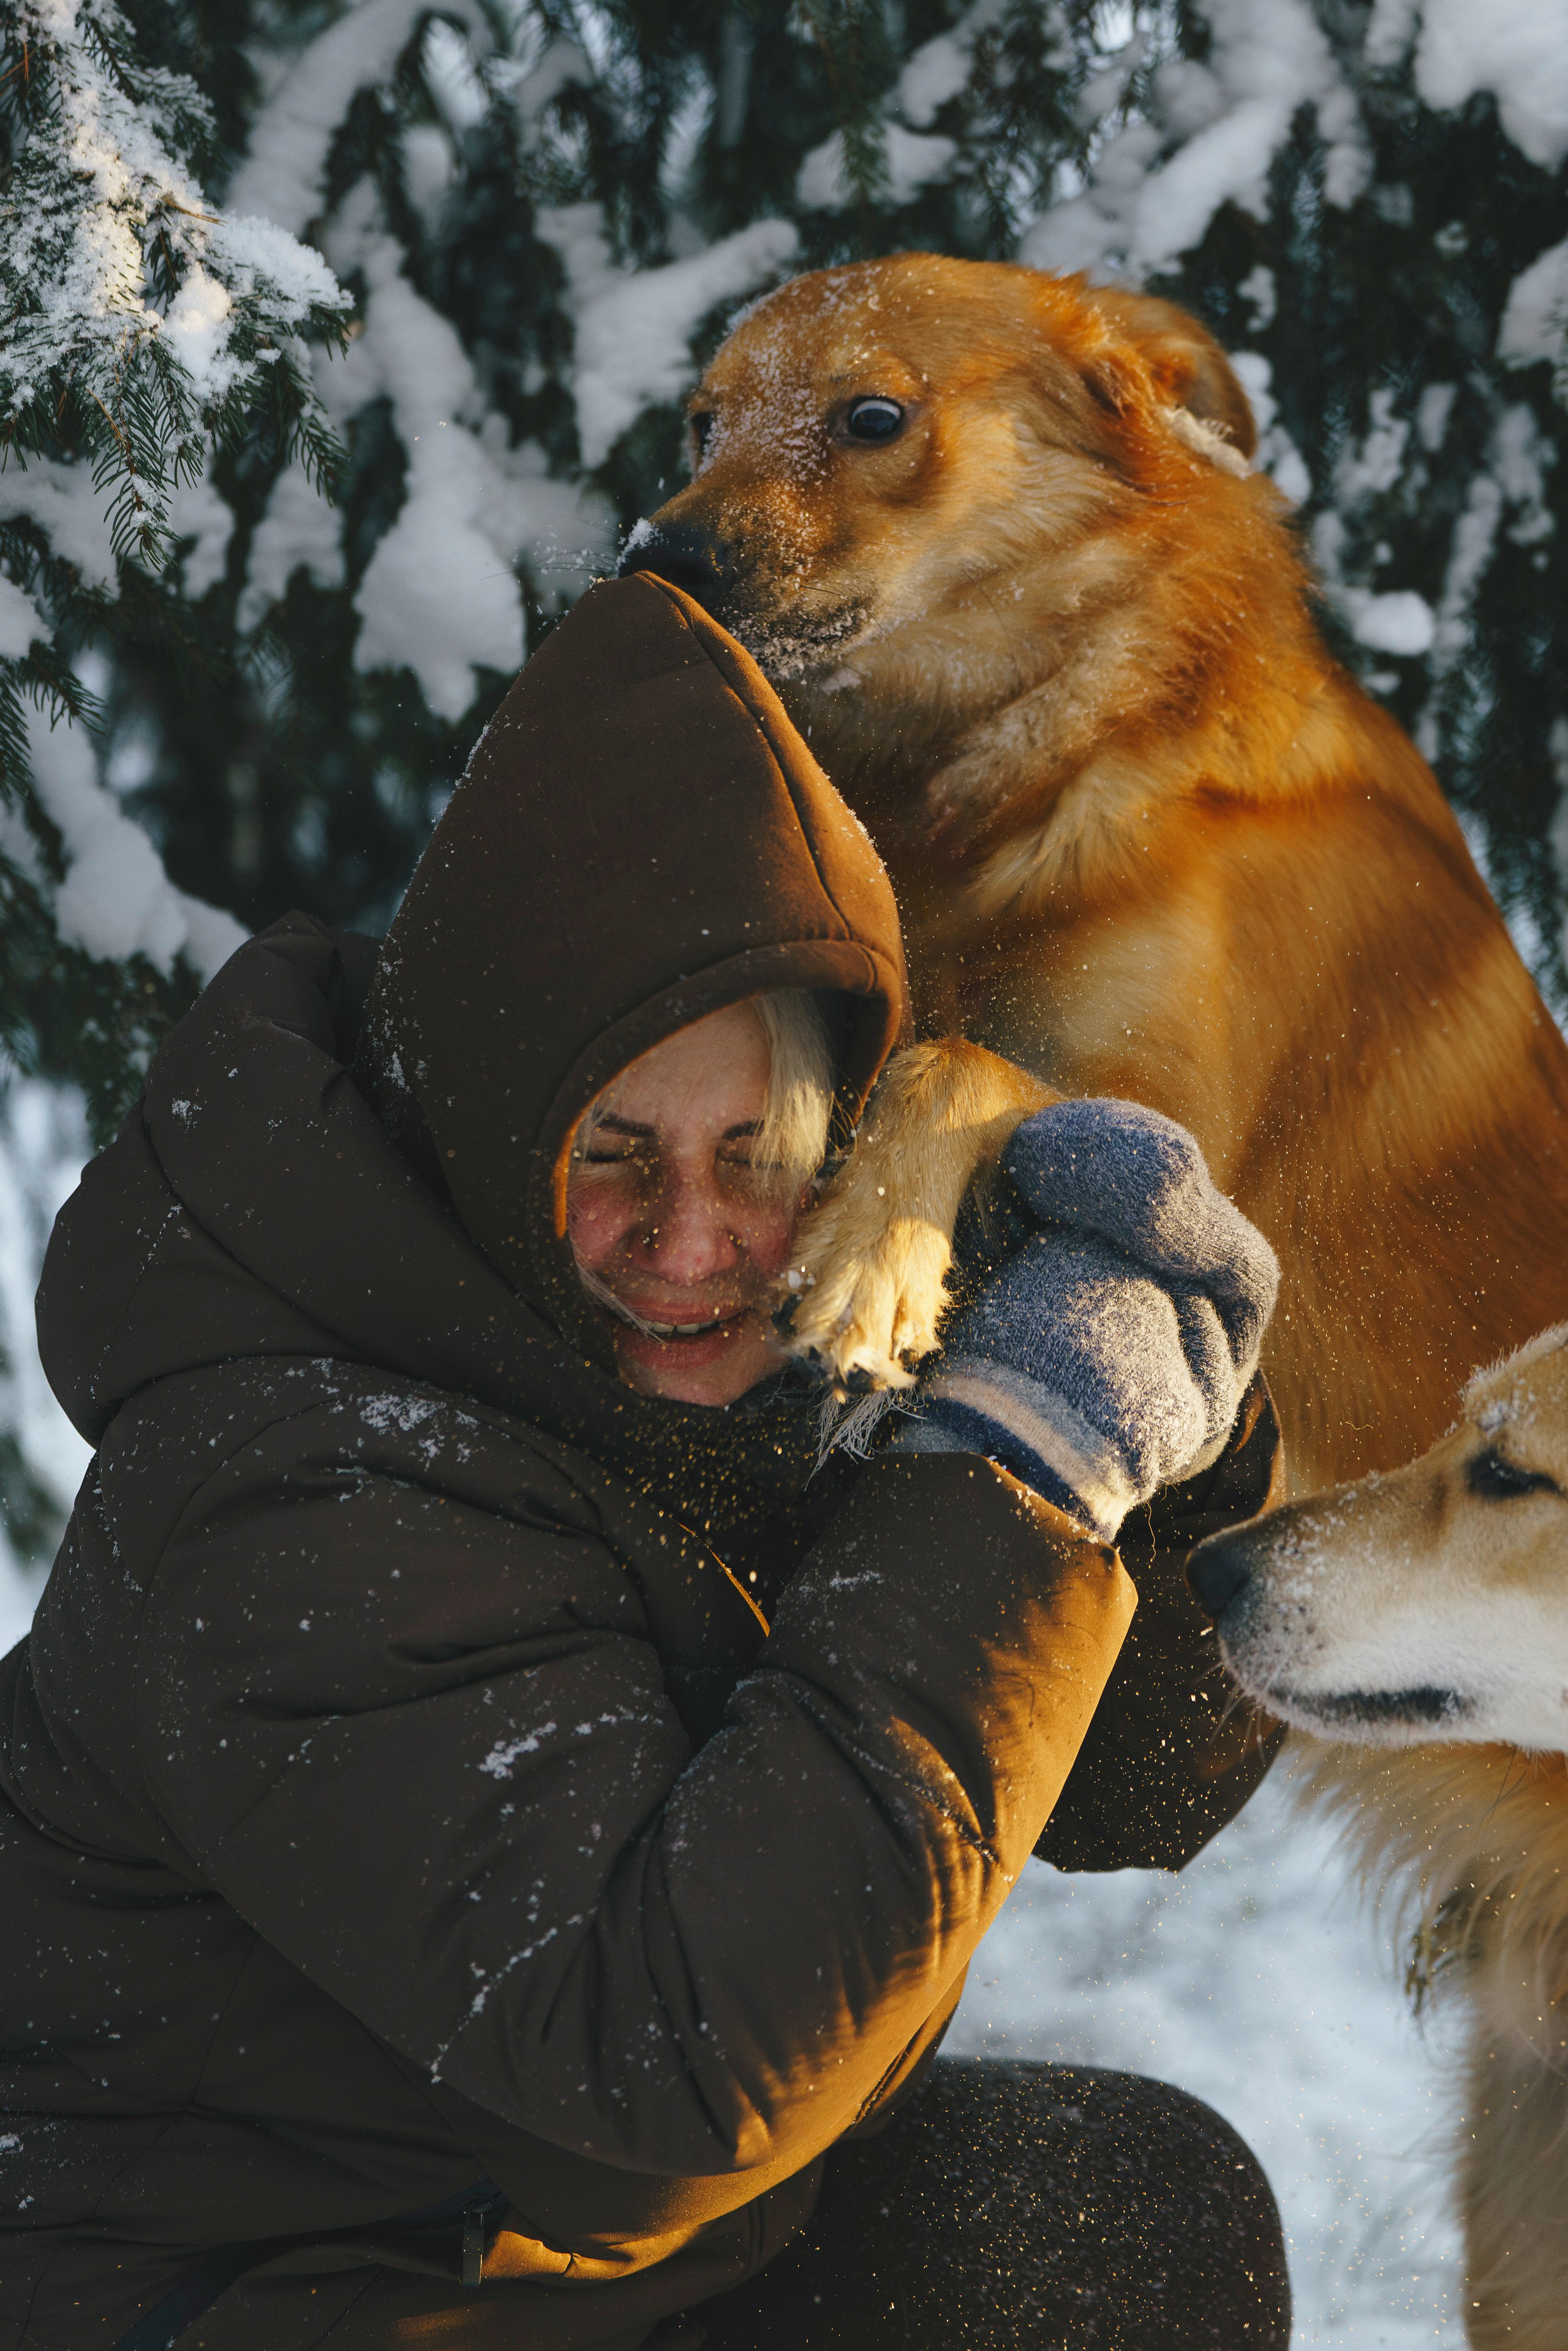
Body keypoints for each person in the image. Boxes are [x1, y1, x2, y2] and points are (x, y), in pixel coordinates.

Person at [0, 576, 1289, 2350]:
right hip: (268, 2286)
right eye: (615, 1153)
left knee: (1121, 2226)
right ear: (485, 1110)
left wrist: (1160, 1431)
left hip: (548, 2252)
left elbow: (1143, 1790)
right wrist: (1011, 1472)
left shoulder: (747, 1327)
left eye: (760, 1155)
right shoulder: (289, 1482)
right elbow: (667, 2068)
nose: (693, 1239)